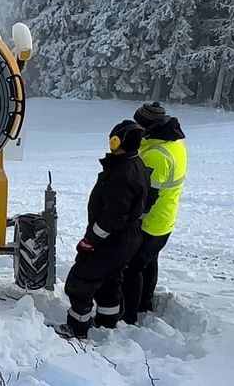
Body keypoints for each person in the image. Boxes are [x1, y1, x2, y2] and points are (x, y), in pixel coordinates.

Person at [60, 121, 150, 338]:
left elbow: (113, 217)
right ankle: (106, 325)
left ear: (117, 141)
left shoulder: (122, 172)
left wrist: (91, 240)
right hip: (127, 237)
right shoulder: (136, 164)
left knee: (80, 282)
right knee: (110, 280)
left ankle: (76, 328)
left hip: (112, 239)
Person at [122, 102, 187, 325]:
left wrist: (131, 219)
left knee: (132, 267)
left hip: (151, 221)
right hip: (165, 218)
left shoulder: (156, 155)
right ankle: (145, 302)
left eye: (139, 123)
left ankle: (129, 314)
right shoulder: (173, 145)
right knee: (149, 261)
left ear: (148, 126)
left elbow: (146, 197)